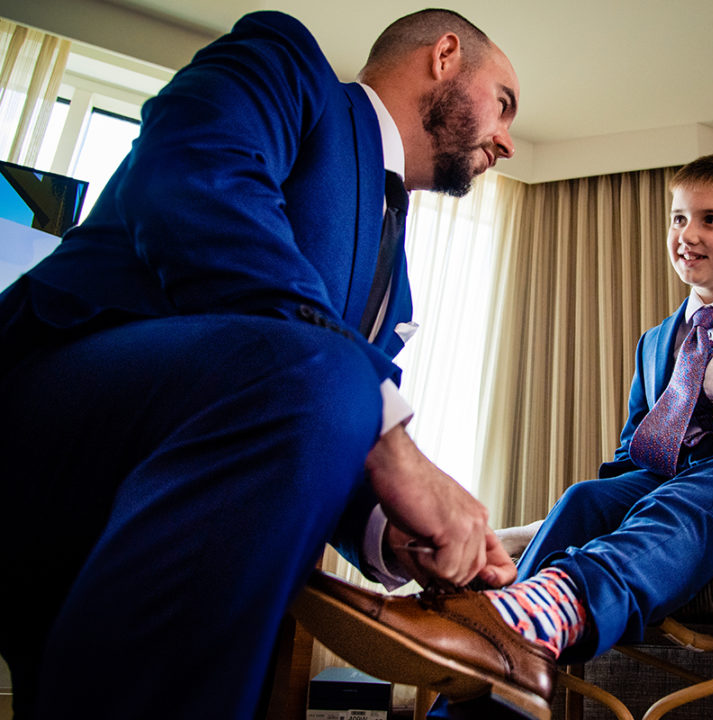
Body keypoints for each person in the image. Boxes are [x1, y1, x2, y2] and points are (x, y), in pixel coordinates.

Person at [0, 9, 525, 719]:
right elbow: (194, 177)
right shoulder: (287, 62)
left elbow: (295, 420)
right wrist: (390, 437)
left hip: (162, 529)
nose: (508, 140)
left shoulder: (396, 281)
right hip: (41, 426)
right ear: (445, 55)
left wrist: (392, 529)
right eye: (504, 103)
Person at [314, 153, 713, 719]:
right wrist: (609, 500)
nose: (687, 234)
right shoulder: (656, 341)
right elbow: (634, 449)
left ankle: (542, 613)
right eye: (678, 218)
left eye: (712, 219)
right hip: (660, 474)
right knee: (584, 498)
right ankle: (479, 632)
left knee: (679, 502)